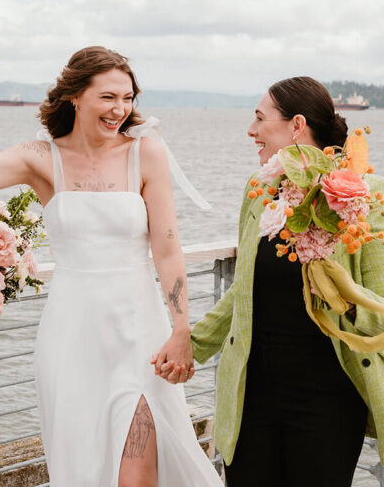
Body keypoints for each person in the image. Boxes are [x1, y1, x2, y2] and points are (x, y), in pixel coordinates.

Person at [0, 46, 223, 487]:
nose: (120, 109)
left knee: (137, 475)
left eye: (128, 97)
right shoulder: (40, 158)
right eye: (108, 97)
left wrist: (180, 331)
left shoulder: (145, 153)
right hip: (71, 336)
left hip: (139, 333)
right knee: (80, 469)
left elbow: (169, 249)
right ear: (75, 96)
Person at [157, 76, 384, 487]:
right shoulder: (259, 189)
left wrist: (337, 290)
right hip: (252, 397)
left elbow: (379, 307)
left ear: (296, 125)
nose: (251, 130)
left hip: (329, 400)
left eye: (260, 119)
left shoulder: (365, 194)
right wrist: (190, 342)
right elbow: (244, 290)